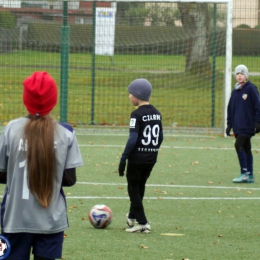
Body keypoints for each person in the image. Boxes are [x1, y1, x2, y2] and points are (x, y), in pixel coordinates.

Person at [0, 71, 83, 260]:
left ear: (25, 100)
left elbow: (1, 174)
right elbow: (69, 180)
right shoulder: (66, 133)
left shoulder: (11, 129)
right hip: (51, 219)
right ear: (53, 100)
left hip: (14, 218)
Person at [118, 78, 163, 233]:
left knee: (133, 188)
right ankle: (132, 216)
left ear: (137, 95)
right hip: (151, 157)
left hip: (137, 158)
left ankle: (143, 222)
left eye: (130, 93)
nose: (129, 96)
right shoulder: (157, 114)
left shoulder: (136, 114)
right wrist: (153, 150)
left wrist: (124, 158)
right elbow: (160, 137)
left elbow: (132, 139)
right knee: (140, 185)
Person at [226, 64, 260, 183]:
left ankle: (244, 172)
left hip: (247, 125)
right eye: (237, 74)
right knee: (246, 148)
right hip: (238, 126)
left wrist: (257, 122)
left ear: (246, 76)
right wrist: (229, 124)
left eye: (242, 74)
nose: (240, 76)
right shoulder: (235, 92)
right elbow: (230, 108)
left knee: (238, 145)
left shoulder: (251, 89)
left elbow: (258, 106)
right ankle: (250, 175)